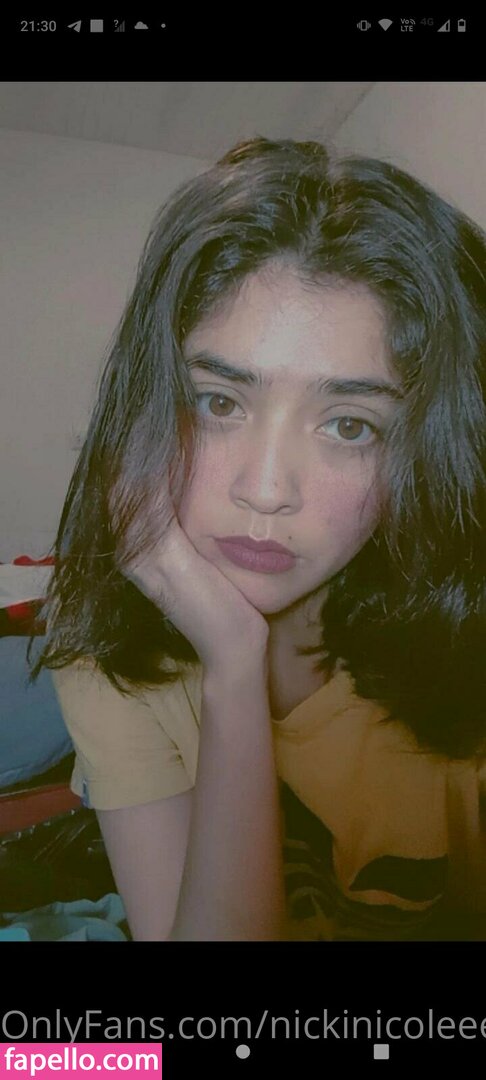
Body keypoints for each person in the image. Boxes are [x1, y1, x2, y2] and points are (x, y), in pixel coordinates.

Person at [33, 136, 486, 942]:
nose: (267, 489)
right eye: (219, 403)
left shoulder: (465, 651)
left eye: (350, 425)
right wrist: (233, 669)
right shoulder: (105, 655)